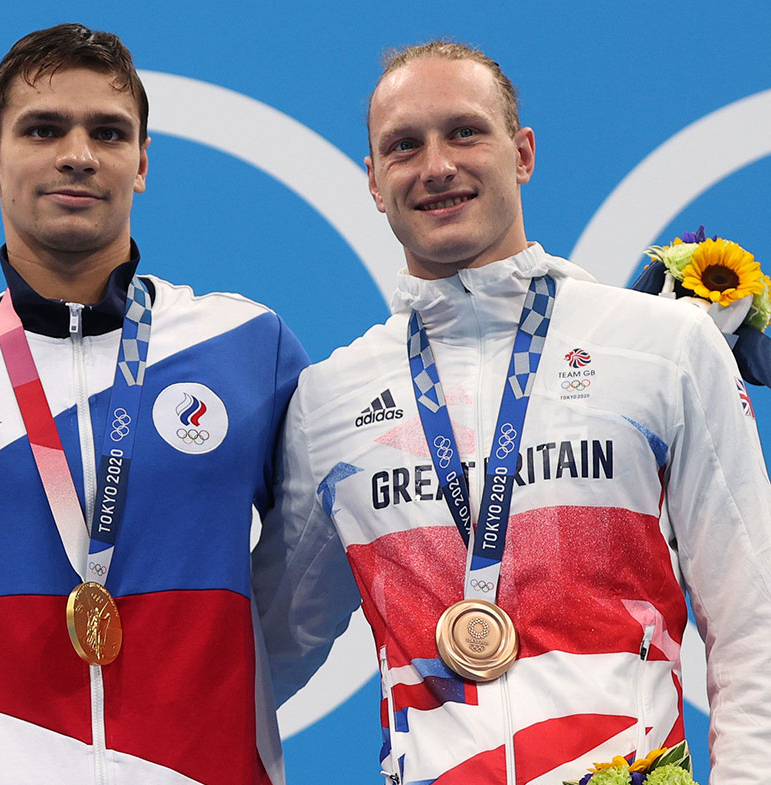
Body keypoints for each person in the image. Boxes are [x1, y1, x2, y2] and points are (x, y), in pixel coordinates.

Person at [0, 22, 352, 785]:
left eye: (108, 132)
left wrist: (217, 692)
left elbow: (309, 578)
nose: (78, 154)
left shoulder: (249, 347)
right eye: (43, 129)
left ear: (142, 162)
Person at [258, 40, 771, 784]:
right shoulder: (330, 401)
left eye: (464, 132)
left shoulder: (664, 344)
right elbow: (268, 650)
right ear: (372, 181)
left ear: (522, 152)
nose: (436, 165)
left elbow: (752, 616)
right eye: (404, 146)